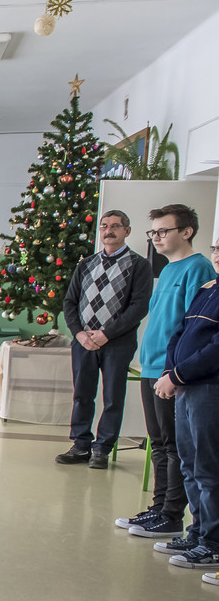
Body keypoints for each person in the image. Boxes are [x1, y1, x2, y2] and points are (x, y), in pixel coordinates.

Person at [117, 205, 215, 540]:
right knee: (158, 443)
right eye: (153, 232)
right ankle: (159, 508)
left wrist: (173, 372)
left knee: (174, 447)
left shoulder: (198, 267)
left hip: (170, 371)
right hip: (151, 367)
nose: (156, 237)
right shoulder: (168, 269)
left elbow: (193, 330)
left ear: (186, 232)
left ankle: (172, 514)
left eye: (163, 231)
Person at [57, 210, 153, 469]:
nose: (108, 231)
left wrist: (106, 334)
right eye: (104, 226)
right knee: (82, 395)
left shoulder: (139, 265)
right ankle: (81, 445)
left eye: (115, 226)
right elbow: (70, 302)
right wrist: (79, 333)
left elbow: (139, 307)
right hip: (83, 341)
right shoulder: (86, 264)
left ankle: (102, 449)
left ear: (126, 231)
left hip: (117, 343)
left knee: (112, 397)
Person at [156, 234, 219, 575]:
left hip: (210, 389)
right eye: (216, 248)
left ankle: (213, 543)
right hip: (186, 388)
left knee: (209, 470)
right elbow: (179, 334)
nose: (217, 254)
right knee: (190, 466)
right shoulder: (208, 290)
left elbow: (215, 350)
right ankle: (197, 533)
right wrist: (170, 372)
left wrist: (178, 374)